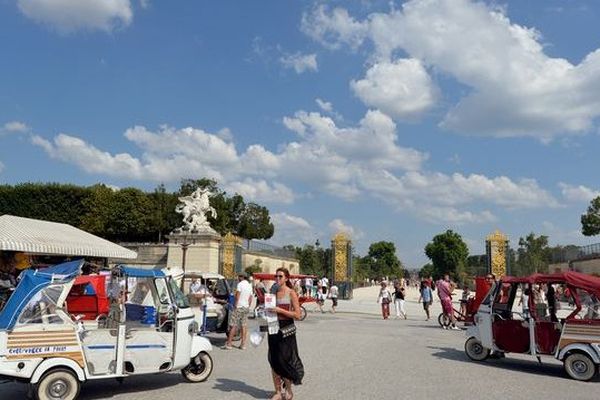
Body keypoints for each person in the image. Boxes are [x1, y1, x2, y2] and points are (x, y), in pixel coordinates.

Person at [267, 267, 304, 400]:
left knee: (285, 360)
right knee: (273, 359)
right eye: (276, 276)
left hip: (286, 328)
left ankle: (288, 390)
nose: (277, 279)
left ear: (286, 278)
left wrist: (279, 310)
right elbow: (269, 310)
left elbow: (298, 315)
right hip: (273, 327)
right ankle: (277, 391)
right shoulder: (273, 292)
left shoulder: (291, 293)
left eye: (280, 276)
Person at [223, 272, 253, 350]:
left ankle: (229, 344)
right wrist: (248, 305)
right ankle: (243, 344)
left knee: (233, 325)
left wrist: (235, 305)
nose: (238, 278)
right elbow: (250, 298)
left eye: (239, 276)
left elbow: (237, 296)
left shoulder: (240, 285)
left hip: (239, 306)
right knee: (244, 325)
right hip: (246, 307)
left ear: (242, 277)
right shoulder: (249, 285)